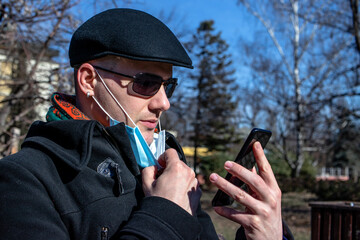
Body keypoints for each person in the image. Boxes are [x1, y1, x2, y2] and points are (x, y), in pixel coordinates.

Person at [0, 8, 293, 240]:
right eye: (147, 83)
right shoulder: (23, 180)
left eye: (168, 85)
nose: (163, 103)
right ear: (89, 80)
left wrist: (266, 236)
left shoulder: (168, 169)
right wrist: (165, 215)